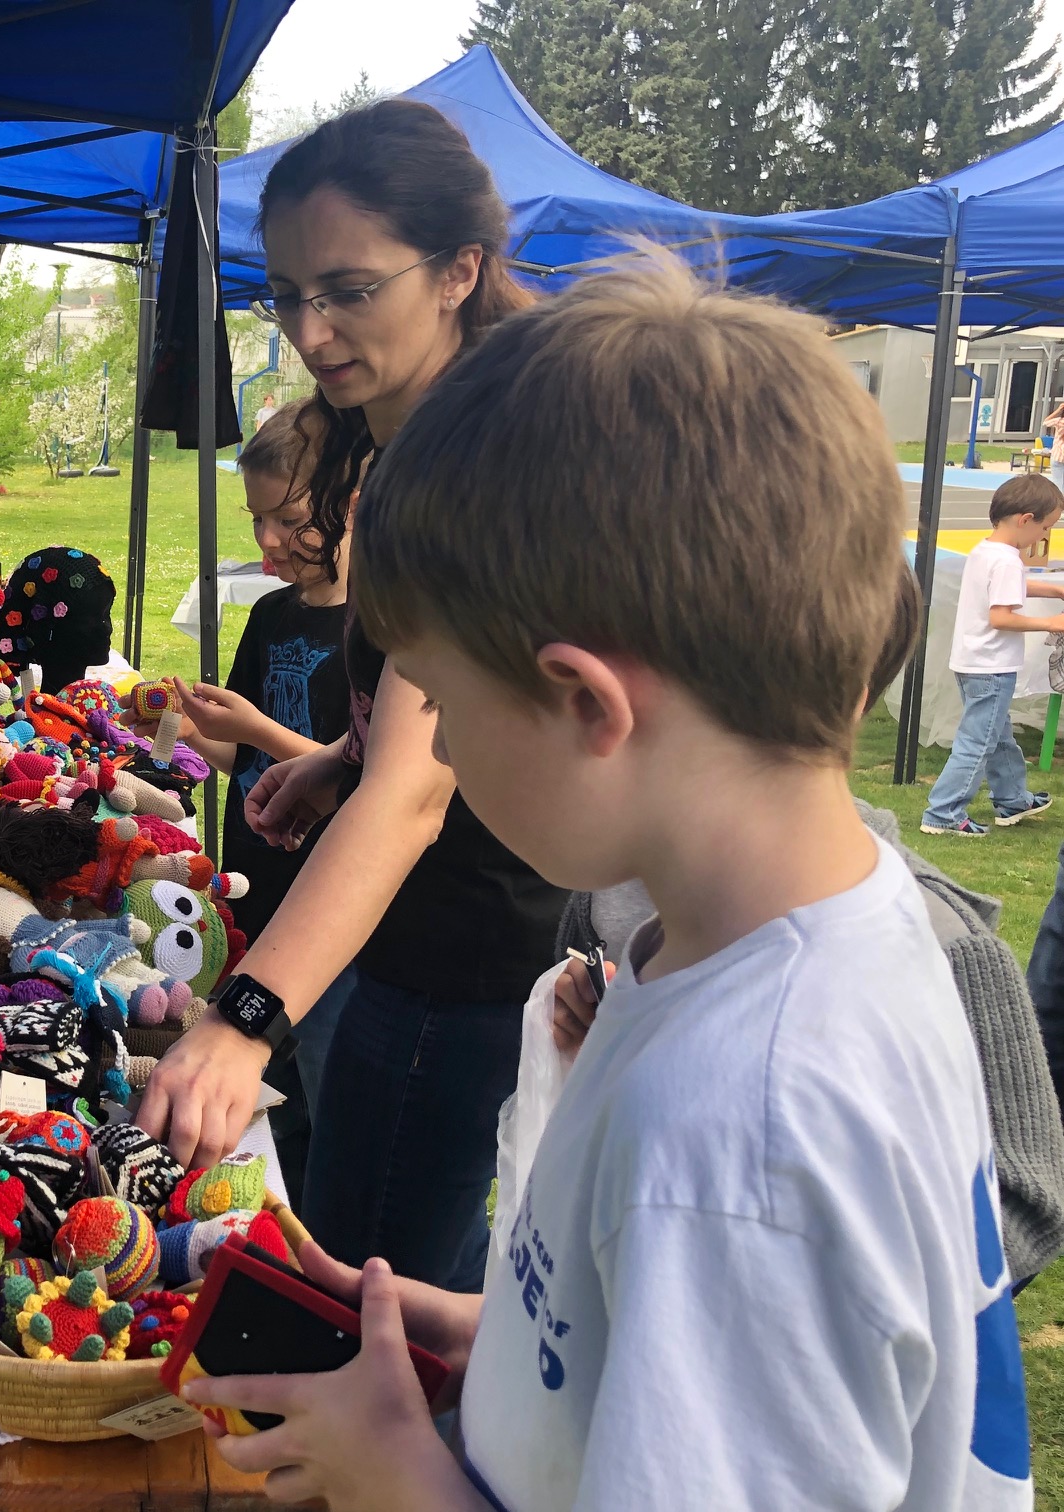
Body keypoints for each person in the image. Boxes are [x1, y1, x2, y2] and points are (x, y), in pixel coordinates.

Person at [183, 263, 1031, 1512]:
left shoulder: (741, 1132)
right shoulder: (788, 949)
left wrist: (399, 1479)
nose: (440, 751)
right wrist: (505, 1339)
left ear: (587, 705)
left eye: (445, 704)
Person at [135, 99, 567, 1293]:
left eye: (350, 290)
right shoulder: (404, 444)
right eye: (286, 294)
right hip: (433, 933)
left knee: (368, 1283)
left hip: (463, 942)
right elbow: (440, 701)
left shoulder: (472, 468)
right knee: (427, 1262)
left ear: (459, 271)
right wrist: (339, 753)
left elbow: (420, 794)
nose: (311, 331)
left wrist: (242, 1018)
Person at [561, 798, 1064, 1289]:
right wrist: (589, 1028)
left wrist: (780, 1271)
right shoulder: (611, 890)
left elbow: (1025, 1201)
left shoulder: (933, 937)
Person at [156, 399, 352, 1195]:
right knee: (274, 1106)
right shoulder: (272, 614)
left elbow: (366, 779)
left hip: (328, 917)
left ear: (351, 500)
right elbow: (238, 751)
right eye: (256, 520)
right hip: (255, 897)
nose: (267, 540)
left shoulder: (378, 635)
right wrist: (183, 729)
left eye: (290, 519)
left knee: (331, 1107)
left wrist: (261, 731)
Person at [919, 471, 1064, 837]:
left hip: (972, 662)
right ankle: (943, 812)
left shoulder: (987, 550)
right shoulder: (1007, 561)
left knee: (998, 735)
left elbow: (1009, 587)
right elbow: (1001, 617)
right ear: (1026, 520)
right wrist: (1051, 623)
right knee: (977, 742)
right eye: (1046, 527)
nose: (1045, 536)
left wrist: (1054, 590)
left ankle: (1013, 799)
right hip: (992, 668)